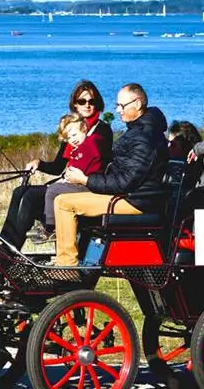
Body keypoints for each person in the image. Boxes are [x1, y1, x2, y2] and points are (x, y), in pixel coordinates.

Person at [53, 83, 169, 266]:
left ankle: (66, 266)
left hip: (135, 201)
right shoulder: (140, 130)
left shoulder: (143, 137)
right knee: (64, 197)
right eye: (117, 106)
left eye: (121, 106)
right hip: (133, 196)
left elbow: (125, 182)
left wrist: (86, 179)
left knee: (64, 203)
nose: (118, 110)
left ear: (137, 105)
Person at [0, 80, 113, 249]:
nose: (87, 105)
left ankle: (14, 248)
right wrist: (39, 163)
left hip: (88, 185)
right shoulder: (71, 130)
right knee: (20, 191)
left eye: (92, 101)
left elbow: (96, 158)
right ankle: (5, 245)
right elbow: (58, 166)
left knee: (31, 198)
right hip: (70, 181)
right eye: (82, 101)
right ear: (75, 104)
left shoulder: (101, 131)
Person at [38, 114, 104, 237]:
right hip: (81, 183)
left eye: (74, 135)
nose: (72, 140)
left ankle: (50, 226)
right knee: (53, 189)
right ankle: (51, 223)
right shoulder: (79, 148)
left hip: (87, 185)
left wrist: (65, 180)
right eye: (69, 138)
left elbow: (79, 169)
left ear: (84, 128)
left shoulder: (89, 144)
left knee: (52, 190)